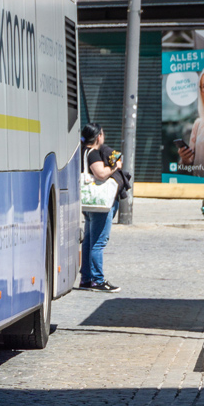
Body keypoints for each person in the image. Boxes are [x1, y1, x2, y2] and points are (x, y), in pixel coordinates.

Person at [80, 122, 121, 293]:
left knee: (89, 240)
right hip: (100, 205)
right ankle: (98, 279)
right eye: (102, 134)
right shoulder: (93, 153)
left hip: (90, 203)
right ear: (98, 137)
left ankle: (86, 278)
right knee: (98, 242)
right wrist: (114, 167)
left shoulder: (83, 151)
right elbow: (101, 173)